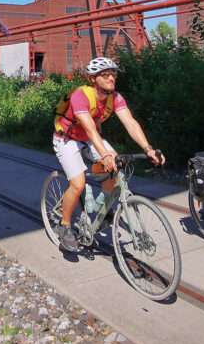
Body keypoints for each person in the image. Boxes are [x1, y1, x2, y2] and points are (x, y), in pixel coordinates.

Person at [52, 56, 164, 252]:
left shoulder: (115, 97)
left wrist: (148, 148)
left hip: (88, 139)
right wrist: (104, 154)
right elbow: (89, 129)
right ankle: (64, 225)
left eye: (113, 74)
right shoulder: (81, 96)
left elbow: (130, 123)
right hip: (67, 139)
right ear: (93, 79)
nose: (111, 77)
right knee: (77, 184)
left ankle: (103, 210)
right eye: (105, 74)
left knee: (116, 166)